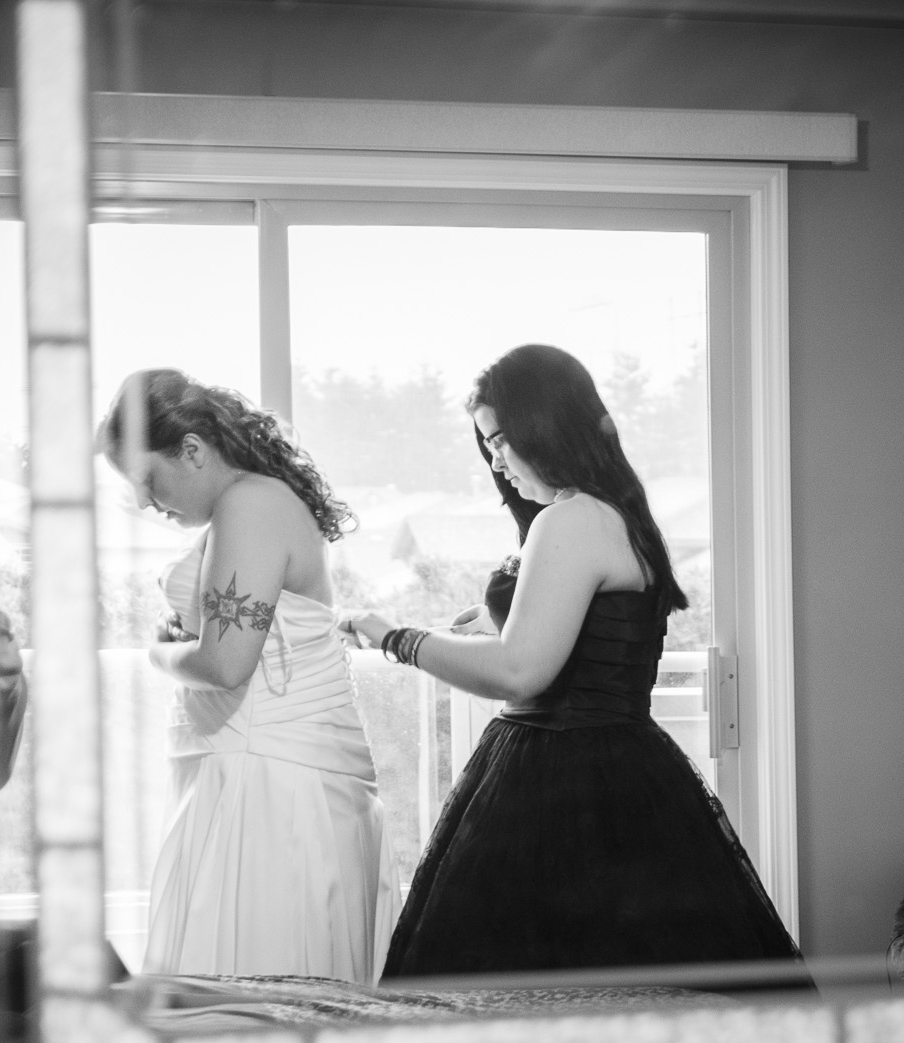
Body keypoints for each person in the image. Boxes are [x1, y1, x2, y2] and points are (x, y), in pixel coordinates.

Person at [340, 344, 805, 982]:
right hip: (618, 769)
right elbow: (577, 645)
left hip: (564, 781)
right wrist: (498, 624)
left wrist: (395, 636)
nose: (497, 461)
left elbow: (519, 673)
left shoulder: (571, 518)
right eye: (488, 444)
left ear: (548, 425)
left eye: (502, 439)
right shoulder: (616, 514)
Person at [101, 369, 400, 983]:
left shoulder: (250, 504)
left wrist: (159, 652)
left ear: (191, 449)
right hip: (254, 766)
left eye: (146, 480)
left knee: (256, 991)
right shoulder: (253, 504)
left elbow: (226, 663)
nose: (143, 503)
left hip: (270, 776)